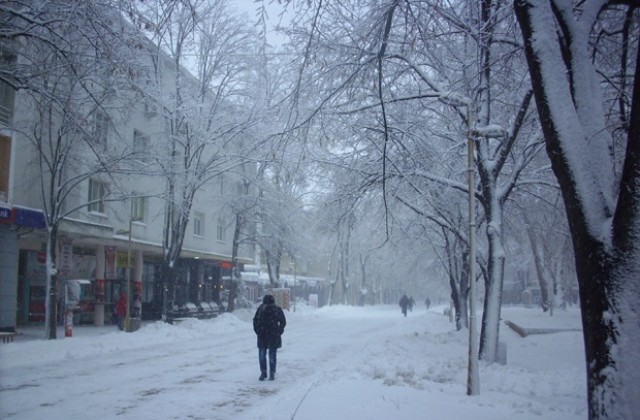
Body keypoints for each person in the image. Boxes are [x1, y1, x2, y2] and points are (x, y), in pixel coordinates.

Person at [253, 294, 286, 381]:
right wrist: (279, 331)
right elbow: (283, 322)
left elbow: (255, 321)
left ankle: (264, 372)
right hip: (272, 335)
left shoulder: (261, 309)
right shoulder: (276, 309)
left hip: (264, 335)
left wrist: (258, 331)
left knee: (262, 355)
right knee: (271, 355)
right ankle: (271, 372)